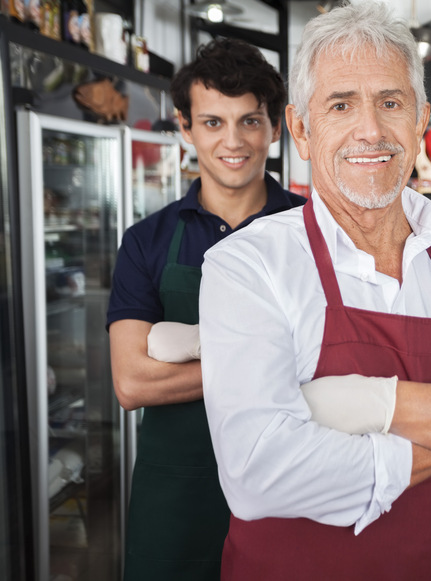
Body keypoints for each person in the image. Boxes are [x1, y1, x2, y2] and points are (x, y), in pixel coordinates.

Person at [196, 3, 431, 580]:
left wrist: (370, 405)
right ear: (300, 128)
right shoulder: (247, 265)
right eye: (341, 104)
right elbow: (258, 475)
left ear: (421, 120)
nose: (370, 130)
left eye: (391, 103)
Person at [106, 38, 307, 581]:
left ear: (275, 126)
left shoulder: (313, 232)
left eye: (250, 121)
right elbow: (133, 382)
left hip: (288, 485)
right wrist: (271, 359)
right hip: (175, 494)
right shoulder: (146, 241)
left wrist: (187, 355)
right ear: (185, 127)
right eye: (213, 123)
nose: (233, 141)